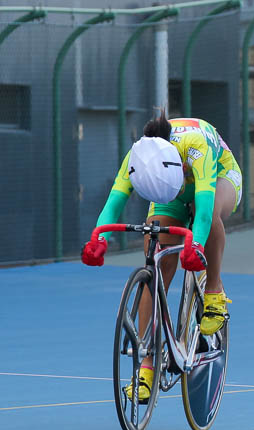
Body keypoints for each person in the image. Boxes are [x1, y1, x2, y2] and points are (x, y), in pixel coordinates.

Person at [81, 110, 242, 401]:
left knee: (209, 213)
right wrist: (98, 238)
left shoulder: (197, 148)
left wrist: (197, 247)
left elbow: (204, 212)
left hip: (217, 176)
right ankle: (147, 365)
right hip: (168, 188)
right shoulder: (137, 157)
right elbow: (115, 200)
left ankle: (214, 292)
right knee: (156, 261)